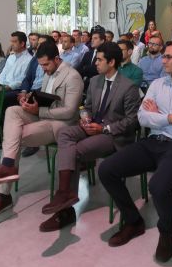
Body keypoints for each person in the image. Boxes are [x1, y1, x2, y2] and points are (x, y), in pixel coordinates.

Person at [98, 40, 172, 263]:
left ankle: (166, 232)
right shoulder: (158, 84)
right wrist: (170, 117)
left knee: (158, 186)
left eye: (169, 57)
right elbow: (142, 118)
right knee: (107, 169)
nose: (163, 60)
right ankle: (133, 221)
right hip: (152, 142)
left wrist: (157, 117)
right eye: (164, 56)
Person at [0, 42, 84, 219]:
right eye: (40, 65)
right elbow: (47, 97)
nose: (44, 69)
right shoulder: (49, 72)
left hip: (61, 124)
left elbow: (69, 111)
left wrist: (37, 110)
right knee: (12, 111)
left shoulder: (72, 77)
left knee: (14, 137)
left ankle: (3, 194)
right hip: (44, 116)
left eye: (46, 64)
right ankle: (8, 166)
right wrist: (30, 100)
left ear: (57, 59)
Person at [39, 42, 140, 231]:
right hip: (92, 127)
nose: (95, 62)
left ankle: (65, 208)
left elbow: (132, 121)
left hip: (113, 136)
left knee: (74, 151)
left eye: (99, 59)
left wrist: (104, 128)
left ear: (111, 62)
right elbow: (89, 107)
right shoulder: (95, 81)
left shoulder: (128, 87)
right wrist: (84, 118)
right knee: (65, 133)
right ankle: (64, 193)